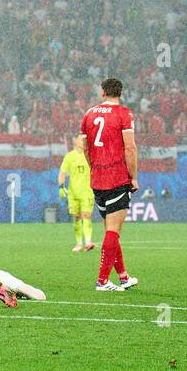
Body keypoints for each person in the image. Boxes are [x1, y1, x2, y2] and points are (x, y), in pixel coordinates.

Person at [80, 77, 139, 291]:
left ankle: (123, 277)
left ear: (102, 92)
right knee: (113, 231)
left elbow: (85, 148)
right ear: (120, 94)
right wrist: (133, 176)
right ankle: (102, 281)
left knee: (109, 230)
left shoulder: (89, 114)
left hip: (98, 180)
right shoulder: (124, 114)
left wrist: (95, 167)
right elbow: (130, 148)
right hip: (117, 178)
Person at [57, 133, 96, 252]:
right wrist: (61, 186)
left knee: (86, 215)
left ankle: (88, 242)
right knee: (77, 217)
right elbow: (63, 172)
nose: (84, 141)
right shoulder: (69, 157)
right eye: (81, 139)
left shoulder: (90, 155)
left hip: (87, 191)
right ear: (76, 142)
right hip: (73, 193)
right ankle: (79, 243)